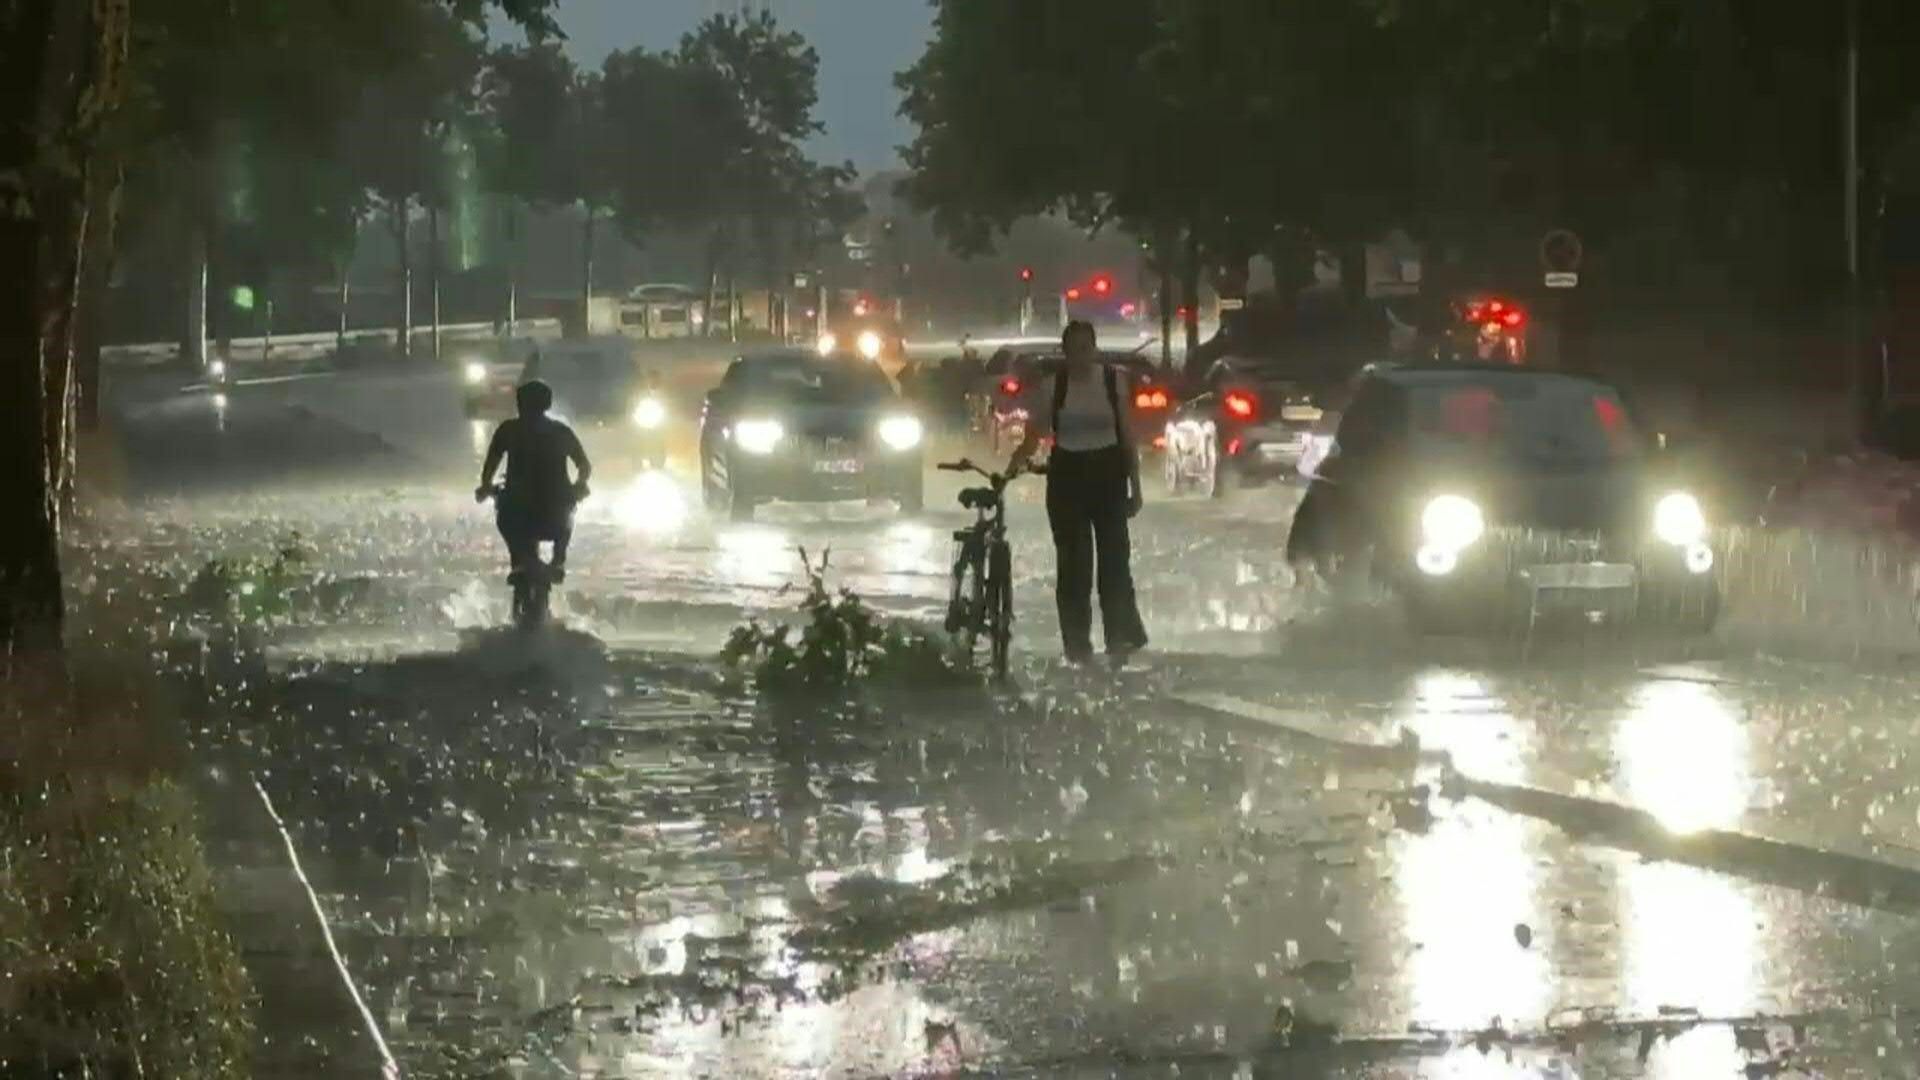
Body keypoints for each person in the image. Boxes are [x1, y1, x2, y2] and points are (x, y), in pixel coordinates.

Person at [1009, 321, 1149, 663]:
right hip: (1067, 477)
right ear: (1065, 352)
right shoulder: (1054, 387)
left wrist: (1135, 485)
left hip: (1109, 475)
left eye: (1086, 348)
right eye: (1073, 350)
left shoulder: (1112, 381)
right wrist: (1012, 467)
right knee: (1073, 565)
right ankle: (1077, 646)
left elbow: (1127, 435)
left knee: (1115, 563)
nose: (1080, 356)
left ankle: (1120, 640)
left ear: (1094, 350)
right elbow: (1035, 434)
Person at [476, 380, 592, 584]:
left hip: (518, 510)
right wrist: (580, 484)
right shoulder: (560, 431)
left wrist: (486, 486)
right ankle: (558, 559)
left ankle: (525, 563)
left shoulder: (508, 430)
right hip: (553, 511)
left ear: (519, 404)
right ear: (547, 404)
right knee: (567, 514)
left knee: (506, 516)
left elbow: (490, 465)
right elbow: (584, 465)